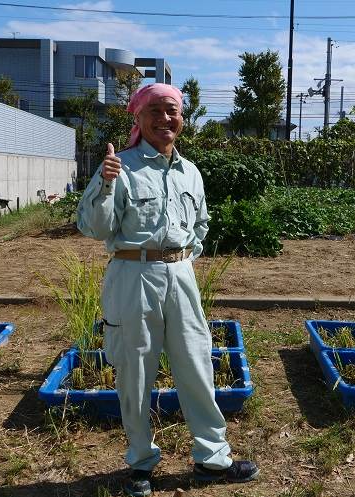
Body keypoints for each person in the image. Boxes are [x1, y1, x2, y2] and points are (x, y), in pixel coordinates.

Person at [76, 83, 259, 497]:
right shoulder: (118, 167)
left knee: (197, 364)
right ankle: (140, 463)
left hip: (181, 277)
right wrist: (105, 185)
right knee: (135, 372)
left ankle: (212, 459)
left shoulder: (190, 171)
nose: (165, 118)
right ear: (138, 118)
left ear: (182, 119)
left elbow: (201, 223)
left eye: (172, 111)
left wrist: (185, 256)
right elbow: (95, 228)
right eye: (155, 110)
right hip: (132, 276)